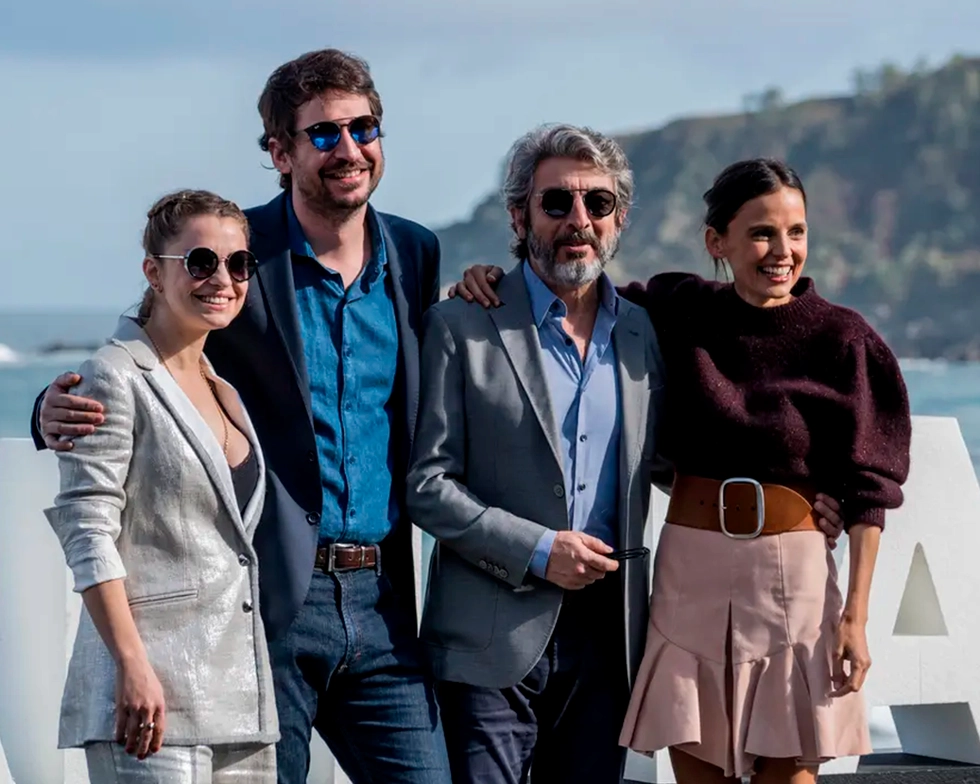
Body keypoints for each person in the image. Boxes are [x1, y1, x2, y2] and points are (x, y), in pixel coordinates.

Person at [32, 49, 451, 784]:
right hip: (271, 603)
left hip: (386, 598)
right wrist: (51, 409)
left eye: (364, 127)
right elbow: (153, 339)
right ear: (280, 152)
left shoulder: (415, 251)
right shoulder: (238, 252)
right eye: (323, 134)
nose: (349, 150)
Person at [449, 157, 911, 783]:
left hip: (793, 577)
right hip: (688, 569)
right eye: (761, 233)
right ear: (716, 242)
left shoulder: (844, 338)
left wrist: (854, 619)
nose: (782, 251)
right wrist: (487, 280)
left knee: (789, 773)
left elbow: (870, 489)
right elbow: (575, 290)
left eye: (796, 232)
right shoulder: (674, 308)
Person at [406, 123, 666, 783]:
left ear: (619, 218)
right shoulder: (460, 325)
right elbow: (427, 484)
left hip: (610, 640)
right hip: (487, 639)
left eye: (597, 203)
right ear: (520, 214)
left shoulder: (643, 333)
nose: (578, 219)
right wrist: (539, 549)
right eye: (557, 202)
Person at [43, 189, 278, 782]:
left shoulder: (224, 389)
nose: (221, 278)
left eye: (238, 263)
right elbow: (87, 528)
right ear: (154, 271)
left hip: (240, 700)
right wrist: (132, 664)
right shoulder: (113, 374)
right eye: (201, 261)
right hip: (149, 703)